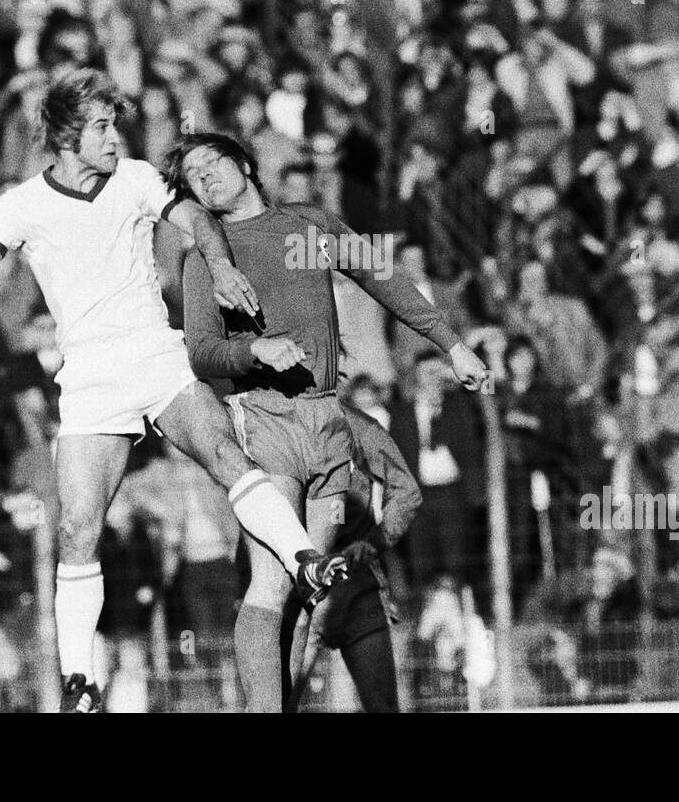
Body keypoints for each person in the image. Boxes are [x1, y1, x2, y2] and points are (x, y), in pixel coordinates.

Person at [0, 69, 349, 713]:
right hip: (87, 375)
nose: (116, 139)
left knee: (226, 456)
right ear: (63, 137)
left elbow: (195, 218)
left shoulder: (137, 177)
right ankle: (80, 683)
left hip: (153, 352)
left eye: (117, 125)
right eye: (102, 128)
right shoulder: (19, 203)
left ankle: (303, 558)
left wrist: (221, 266)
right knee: (78, 525)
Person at [167, 131, 489, 712]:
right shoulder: (204, 259)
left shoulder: (309, 224)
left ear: (244, 163)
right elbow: (201, 351)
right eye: (194, 175)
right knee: (272, 585)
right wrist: (254, 352)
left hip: (327, 417)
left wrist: (452, 345)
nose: (207, 176)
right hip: (264, 421)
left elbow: (383, 279)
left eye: (214, 162)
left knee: (315, 595)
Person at [285, 403, 422, 713]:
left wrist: (373, 544)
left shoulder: (360, 428)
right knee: (276, 705)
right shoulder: (265, 422)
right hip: (294, 593)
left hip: (356, 588)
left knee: (383, 706)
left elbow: (407, 493)